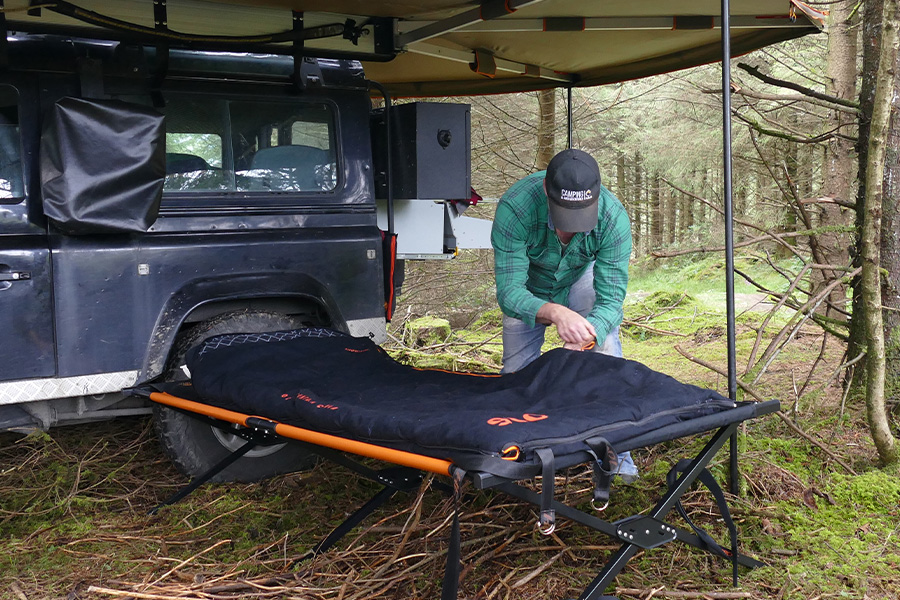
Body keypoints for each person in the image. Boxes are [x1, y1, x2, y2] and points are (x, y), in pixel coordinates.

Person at [490, 148, 637, 480]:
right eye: (565, 214)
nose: (572, 226)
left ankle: (620, 462)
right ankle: (518, 460)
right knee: (516, 374)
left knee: (606, 354)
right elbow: (509, 293)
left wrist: (590, 332)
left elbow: (612, 301)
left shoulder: (614, 218)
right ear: (546, 190)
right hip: (528, 287)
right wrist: (555, 313)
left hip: (580, 275)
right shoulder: (515, 209)